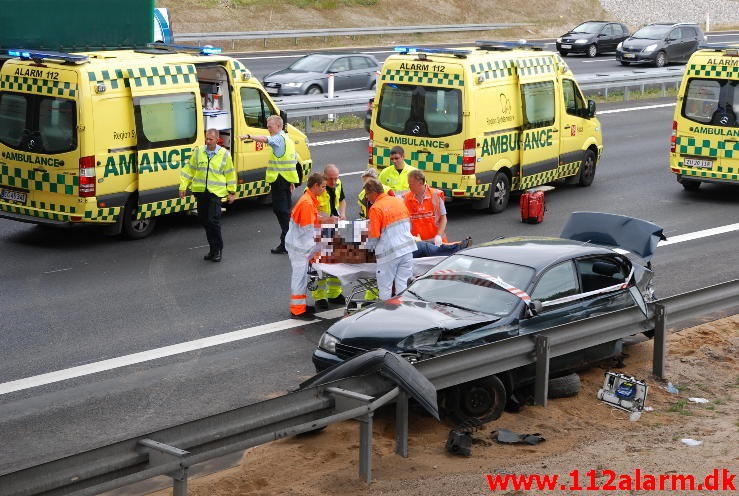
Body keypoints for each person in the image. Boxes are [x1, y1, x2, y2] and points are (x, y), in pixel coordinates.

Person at [240, 115, 299, 255]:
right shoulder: (287, 139)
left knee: (281, 211)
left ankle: (287, 243)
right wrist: (291, 181)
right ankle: (289, 241)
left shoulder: (278, 138)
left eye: (270, 126)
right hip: (285, 179)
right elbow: (293, 159)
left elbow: (266, 139)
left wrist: (249, 135)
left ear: (278, 126)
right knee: (284, 211)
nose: (268, 128)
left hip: (279, 180)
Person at [179, 128, 236, 262]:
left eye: (211, 139)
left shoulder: (224, 154)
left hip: (215, 193)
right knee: (204, 221)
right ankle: (212, 249)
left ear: (217, 139)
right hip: (200, 192)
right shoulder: (199, 152)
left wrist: (231, 192)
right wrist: (183, 186)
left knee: (213, 221)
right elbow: (189, 170)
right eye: (206, 138)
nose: (208, 141)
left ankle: (218, 250)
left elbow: (230, 174)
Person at [285, 172, 331, 317]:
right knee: (300, 278)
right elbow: (307, 231)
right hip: (300, 247)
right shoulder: (307, 203)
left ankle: (301, 306)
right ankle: (297, 311)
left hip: (298, 245)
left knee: (302, 277)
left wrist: (326, 220)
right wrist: (318, 247)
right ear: (315, 186)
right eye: (323, 187)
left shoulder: (309, 200)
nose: (324, 189)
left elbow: (312, 220)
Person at [363, 178, 417, 301]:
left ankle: (385, 316)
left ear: (373, 192)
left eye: (367, 194)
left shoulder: (376, 208)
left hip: (389, 254)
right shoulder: (398, 201)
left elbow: (374, 235)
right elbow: (409, 224)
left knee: (385, 288)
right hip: (407, 249)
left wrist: (367, 252)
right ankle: (402, 313)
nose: (367, 197)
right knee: (403, 285)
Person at [312, 164, 346, 308]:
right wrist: (326, 219)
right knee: (319, 264)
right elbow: (311, 213)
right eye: (331, 179)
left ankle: (334, 293)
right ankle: (319, 296)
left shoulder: (338, 183)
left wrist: (342, 213)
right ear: (324, 177)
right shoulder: (316, 189)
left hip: (334, 226)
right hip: (319, 230)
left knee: (335, 260)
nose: (334, 182)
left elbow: (342, 200)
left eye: (336, 178)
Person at [404, 169, 447, 246]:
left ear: (420, 183)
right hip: (418, 243)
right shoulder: (406, 198)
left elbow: (443, 218)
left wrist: (439, 236)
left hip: (437, 242)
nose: (409, 186)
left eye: (411, 184)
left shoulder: (435, 195)